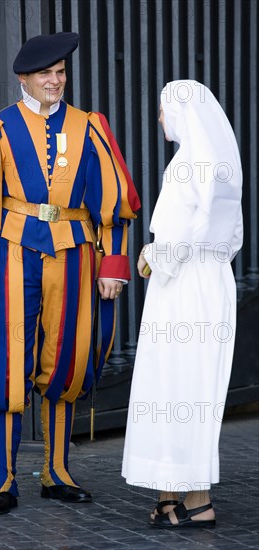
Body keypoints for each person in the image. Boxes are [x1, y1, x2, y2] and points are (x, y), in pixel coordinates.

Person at [0, 32, 141, 515]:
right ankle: (3, 480)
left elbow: (114, 207)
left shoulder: (90, 126)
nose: (55, 81)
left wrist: (112, 265)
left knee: (66, 362)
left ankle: (57, 472)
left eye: (61, 73)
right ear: (23, 79)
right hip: (12, 256)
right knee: (10, 366)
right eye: (45, 74)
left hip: (74, 256)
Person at [122, 80, 243, 528]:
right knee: (190, 388)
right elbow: (225, 236)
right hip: (210, 282)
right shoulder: (220, 163)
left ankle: (193, 500)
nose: (159, 119)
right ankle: (180, 496)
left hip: (183, 286)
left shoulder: (188, 165)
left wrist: (153, 255)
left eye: (162, 110)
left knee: (175, 385)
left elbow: (185, 236)